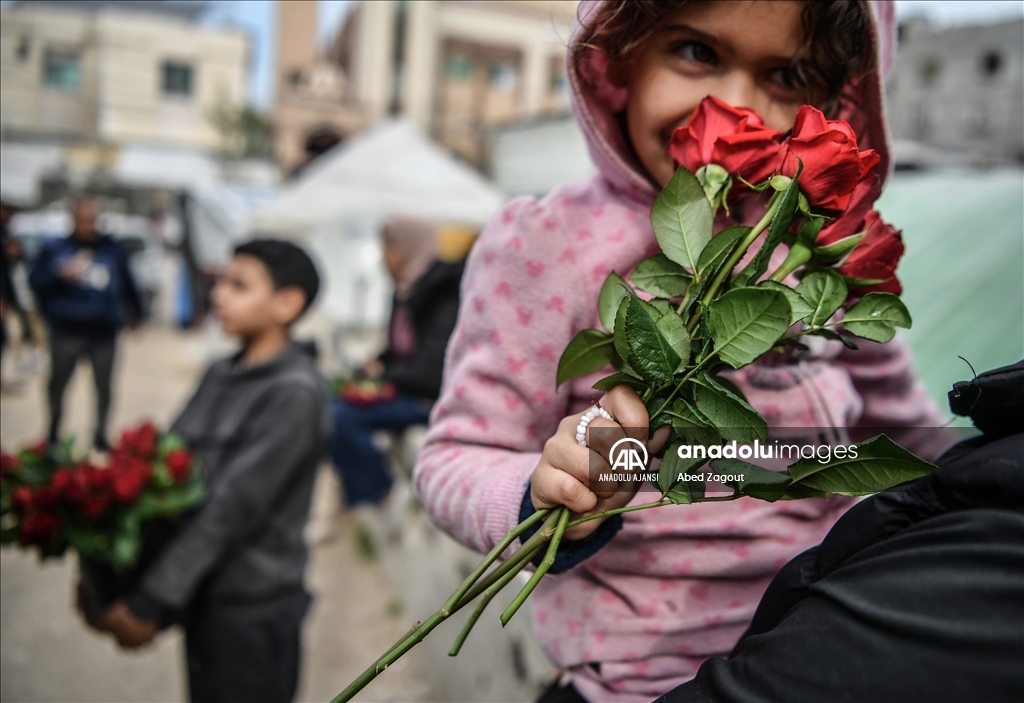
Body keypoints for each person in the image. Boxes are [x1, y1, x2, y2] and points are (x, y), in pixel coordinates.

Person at [412, 2, 951, 702]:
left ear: (832, 104)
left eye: (786, 74)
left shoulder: (815, 258)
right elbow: (453, 455)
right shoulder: (546, 246)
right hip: (645, 680)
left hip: (828, 641)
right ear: (620, 58)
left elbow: (908, 440)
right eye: (697, 52)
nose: (735, 106)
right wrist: (546, 493)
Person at [657, 360, 1024, 703]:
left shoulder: (839, 307)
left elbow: (900, 415)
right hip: (656, 650)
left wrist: (944, 478)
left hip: (811, 597)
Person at [93, 239, 332, 703]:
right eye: (222, 282)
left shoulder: (295, 394)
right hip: (204, 596)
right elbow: (163, 471)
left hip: (251, 610)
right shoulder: (222, 371)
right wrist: (112, 575)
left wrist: (149, 602)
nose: (218, 296)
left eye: (239, 286)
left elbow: (229, 510)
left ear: (288, 304)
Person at [331, 217, 464, 505]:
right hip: (406, 387)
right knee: (330, 402)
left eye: (390, 247)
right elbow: (399, 349)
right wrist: (377, 364)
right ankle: (361, 491)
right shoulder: (406, 290)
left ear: (410, 247)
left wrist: (385, 374)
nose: (383, 257)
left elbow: (432, 370)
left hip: (431, 400)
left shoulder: (443, 294)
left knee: (340, 417)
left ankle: (376, 492)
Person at [28, 197, 143, 450]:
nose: (89, 225)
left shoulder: (112, 249)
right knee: (57, 384)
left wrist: (137, 314)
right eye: (84, 220)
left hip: (103, 330)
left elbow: (129, 284)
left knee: (104, 387)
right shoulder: (55, 248)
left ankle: (100, 435)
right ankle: (53, 432)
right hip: (66, 330)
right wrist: (60, 276)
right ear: (73, 219)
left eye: (93, 220)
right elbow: (36, 283)